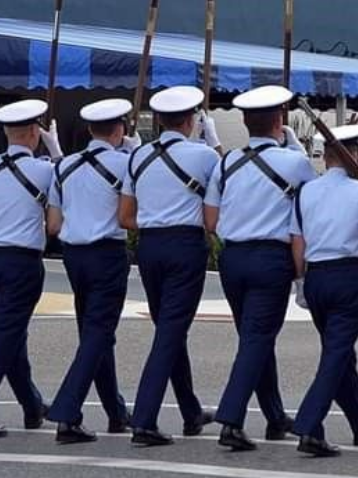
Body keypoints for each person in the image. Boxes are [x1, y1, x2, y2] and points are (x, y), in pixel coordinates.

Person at [203, 85, 317, 451]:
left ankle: (274, 415)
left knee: (255, 337)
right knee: (257, 338)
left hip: (232, 257)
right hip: (271, 258)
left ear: (244, 122)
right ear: (280, 122)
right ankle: (231, 419)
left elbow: (210, 218)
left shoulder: (227, 162)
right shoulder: (295, 162)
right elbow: (313, 203)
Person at [119, 87, 219, 447]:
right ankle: (144, 418)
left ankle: (190, 411)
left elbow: (125, 216)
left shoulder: (138, 157)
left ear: (159, 120)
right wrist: (215, 144)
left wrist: (156, 217)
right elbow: (219, 201)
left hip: (149, 245)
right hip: (184, 245)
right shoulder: (204, 155)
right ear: (192, 120)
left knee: (170, 330)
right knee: (170, 333)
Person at [0, 99, 62, 439]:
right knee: (6, 335)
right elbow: (55, 222)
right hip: (22, 261)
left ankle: (31, 406)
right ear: (35, 133)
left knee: (11, 334)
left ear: (6, 133)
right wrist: (57, 151)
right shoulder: (46, 170)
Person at [45, 98, 140, 444]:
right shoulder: (125, 164)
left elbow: (53, 224)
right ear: (122, 129)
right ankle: (68, 412)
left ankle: (116, 412)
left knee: (96, 334)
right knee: (98, 333)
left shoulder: (64, 166)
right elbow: (131, 213)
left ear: (89, 129)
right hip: (107, 253)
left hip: (73, 255)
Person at [290, 124, 358, 457]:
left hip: (317, 279)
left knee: (341, 353)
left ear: (326, 156)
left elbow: (297, 241)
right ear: (355, 154)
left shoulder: (306, 191)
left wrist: (299, 282)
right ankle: (309, 426)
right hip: (348, 277)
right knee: (336, 355)